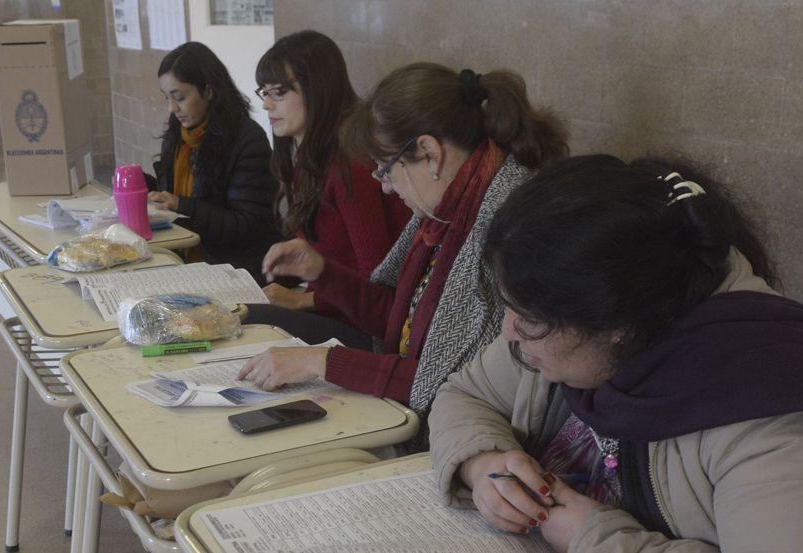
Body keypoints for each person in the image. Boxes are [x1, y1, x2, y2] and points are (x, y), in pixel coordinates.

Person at [428, 155, 803, 551]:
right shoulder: (572, 333)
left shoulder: (777, 422)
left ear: (619, 326)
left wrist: (594, 537)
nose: (509, 331)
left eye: (528, 317)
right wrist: (483, 464)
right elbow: (464, 395)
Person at [238, 62, 569, 424]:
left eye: (385, 169)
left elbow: (453, 384)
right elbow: (395, 319)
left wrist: (322, 362)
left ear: (429, 152)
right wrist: (323, 273)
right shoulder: (445, 209)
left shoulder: (505, 223)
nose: (385, 187)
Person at [244, 30, 410, 347]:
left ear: (316, 90)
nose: (266, 104)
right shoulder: (309, 155)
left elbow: (376, 285)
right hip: (331, 309)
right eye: (263, 92)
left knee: (248, 320)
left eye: (278, 93)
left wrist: (304, 302)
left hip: (367, 330)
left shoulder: (351, 165)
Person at [147, 42, 279, 281]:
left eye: (179, 97)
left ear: (208, 90)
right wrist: (146, 188)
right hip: (185, 257)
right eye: (167, 97)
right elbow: (174, 193)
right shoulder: (179, 133)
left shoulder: (247, 141)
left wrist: (180, 205)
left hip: (236, 269)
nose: (172, 108)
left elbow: (245, 225)